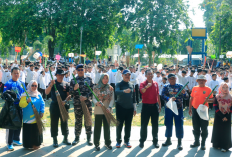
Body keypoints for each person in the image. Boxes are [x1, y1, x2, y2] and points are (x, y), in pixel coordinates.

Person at [45, 68, 71, 147]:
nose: (60, 76)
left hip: (63, 105)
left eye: (62, 75)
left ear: (64, 75)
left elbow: (69, 95)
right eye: (58, 75)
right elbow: (46, 92)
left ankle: (65, 138)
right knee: (54, 122)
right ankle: (55, 139)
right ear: (56, 75)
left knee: (64, 122)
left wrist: (65, 101)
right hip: (55, 105)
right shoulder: (52, 83)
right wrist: (51, 85)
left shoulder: (66, 84)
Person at [161, 73, 188, 150]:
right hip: (169, 108)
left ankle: (179, 143)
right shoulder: (166, 86)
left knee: (179, 124)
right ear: (168, 79)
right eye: (170, 78)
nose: (172, 80)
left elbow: (186, 97)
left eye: (173, 78)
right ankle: (168, 140)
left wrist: (184, 93)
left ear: (176, 79)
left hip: (178, 108)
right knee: (168, 124)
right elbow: (162, 95)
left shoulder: (180, 86)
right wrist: (168, 99)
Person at [69, 64, 94, 146]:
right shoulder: (73, 80)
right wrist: (74, 89)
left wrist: (86, 97)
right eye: (78, 70)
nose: (80, 71)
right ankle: (77, 138)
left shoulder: (89, 79)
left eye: (81, 69)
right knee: (78, 121)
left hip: (87, 104)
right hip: (77, 104)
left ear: (84, 70)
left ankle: (89, 138)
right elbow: (70, 93)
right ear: (76, 71)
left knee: (88, 120)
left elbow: (92, 91)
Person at [189, 75, 214, 150]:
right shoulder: (194, 88)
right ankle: (196, 142)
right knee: (195, 126)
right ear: (197, 81)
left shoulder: (208, 89)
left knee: (204, 127)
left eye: (202, 80)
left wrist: (208, 101)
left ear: (205, 81)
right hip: (195, 109)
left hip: (204, 110)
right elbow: (191, 98)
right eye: (199, 80)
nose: (201, 81)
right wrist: (190, 108)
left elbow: (212, 100)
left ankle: (203, 143)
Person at [3, 67, 25, 151]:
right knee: (11, 125)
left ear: (20, 74)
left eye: (18, 73)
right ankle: (9, 143)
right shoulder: (8, 83)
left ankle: (16, 139)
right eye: (15, 73)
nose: (16, 75)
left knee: (19, 123)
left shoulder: (22, 83)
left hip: (20, 107)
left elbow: (24, 94)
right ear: (11, 73)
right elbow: (5, 95)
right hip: (11, 107)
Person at [19, 80, 45, 150]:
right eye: (32, 85)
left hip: (37, 117)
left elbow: (42, 103)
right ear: (29, 86)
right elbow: (21, 104)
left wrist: (42, 111)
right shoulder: (25, 94)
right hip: (28, 118)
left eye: (35, 85)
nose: (34, 87)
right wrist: (27, 101)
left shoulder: (38, 94)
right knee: (29, 131)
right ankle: (28, 145)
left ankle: (36, 144)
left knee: (36, 130)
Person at [139, 69, 161, 148]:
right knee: (144, 125)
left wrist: (159, 104)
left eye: (151, 74)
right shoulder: (142, 83)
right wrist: (146, 86)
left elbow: (158, 94)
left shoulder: (156, 83)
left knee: (155, 125)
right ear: (145, 75)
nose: (150, 75)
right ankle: (142, 140)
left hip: (154, 106)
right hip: (146, 106)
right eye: (148, 74)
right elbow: (142, 91)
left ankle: (155, 141)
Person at [92, 74, 114, 151]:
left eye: (106, 78)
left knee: (107, 127)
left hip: (107, 110)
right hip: (98, 110)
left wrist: (110, 107)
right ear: (101, 79)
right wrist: (96, 103)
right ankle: (96, 144)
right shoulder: (96, 87)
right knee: (97, 127)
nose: (105, 80)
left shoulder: (110, 88)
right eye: (104, 78)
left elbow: (112, 99)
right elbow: (93, 98)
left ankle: (107, 143)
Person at [115, 69, 136, 148]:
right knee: (119, 125)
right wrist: (124, 91)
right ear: (122, 75)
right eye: (125, 75)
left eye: (129, 75)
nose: (127, 76)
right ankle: (118, 141)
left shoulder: (131, 85)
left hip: (129, 108)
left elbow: (134, 97)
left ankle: (126, 141)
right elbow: (116, 92)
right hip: (120, 107)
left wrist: (134, 108)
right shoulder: (119, 84)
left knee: (128, 125)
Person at [211, 83, 232, 152]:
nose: (225, 89)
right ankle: (217, 145)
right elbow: (215, 106)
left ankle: (225, 146)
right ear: (221, 88)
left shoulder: (230, 97)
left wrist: (227, 116)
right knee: (218, 130)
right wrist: (222, 116)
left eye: (226, 87)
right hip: (218, 116)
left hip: (228, 116)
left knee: (226, 131)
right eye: (224, 87)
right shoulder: (217, 96)